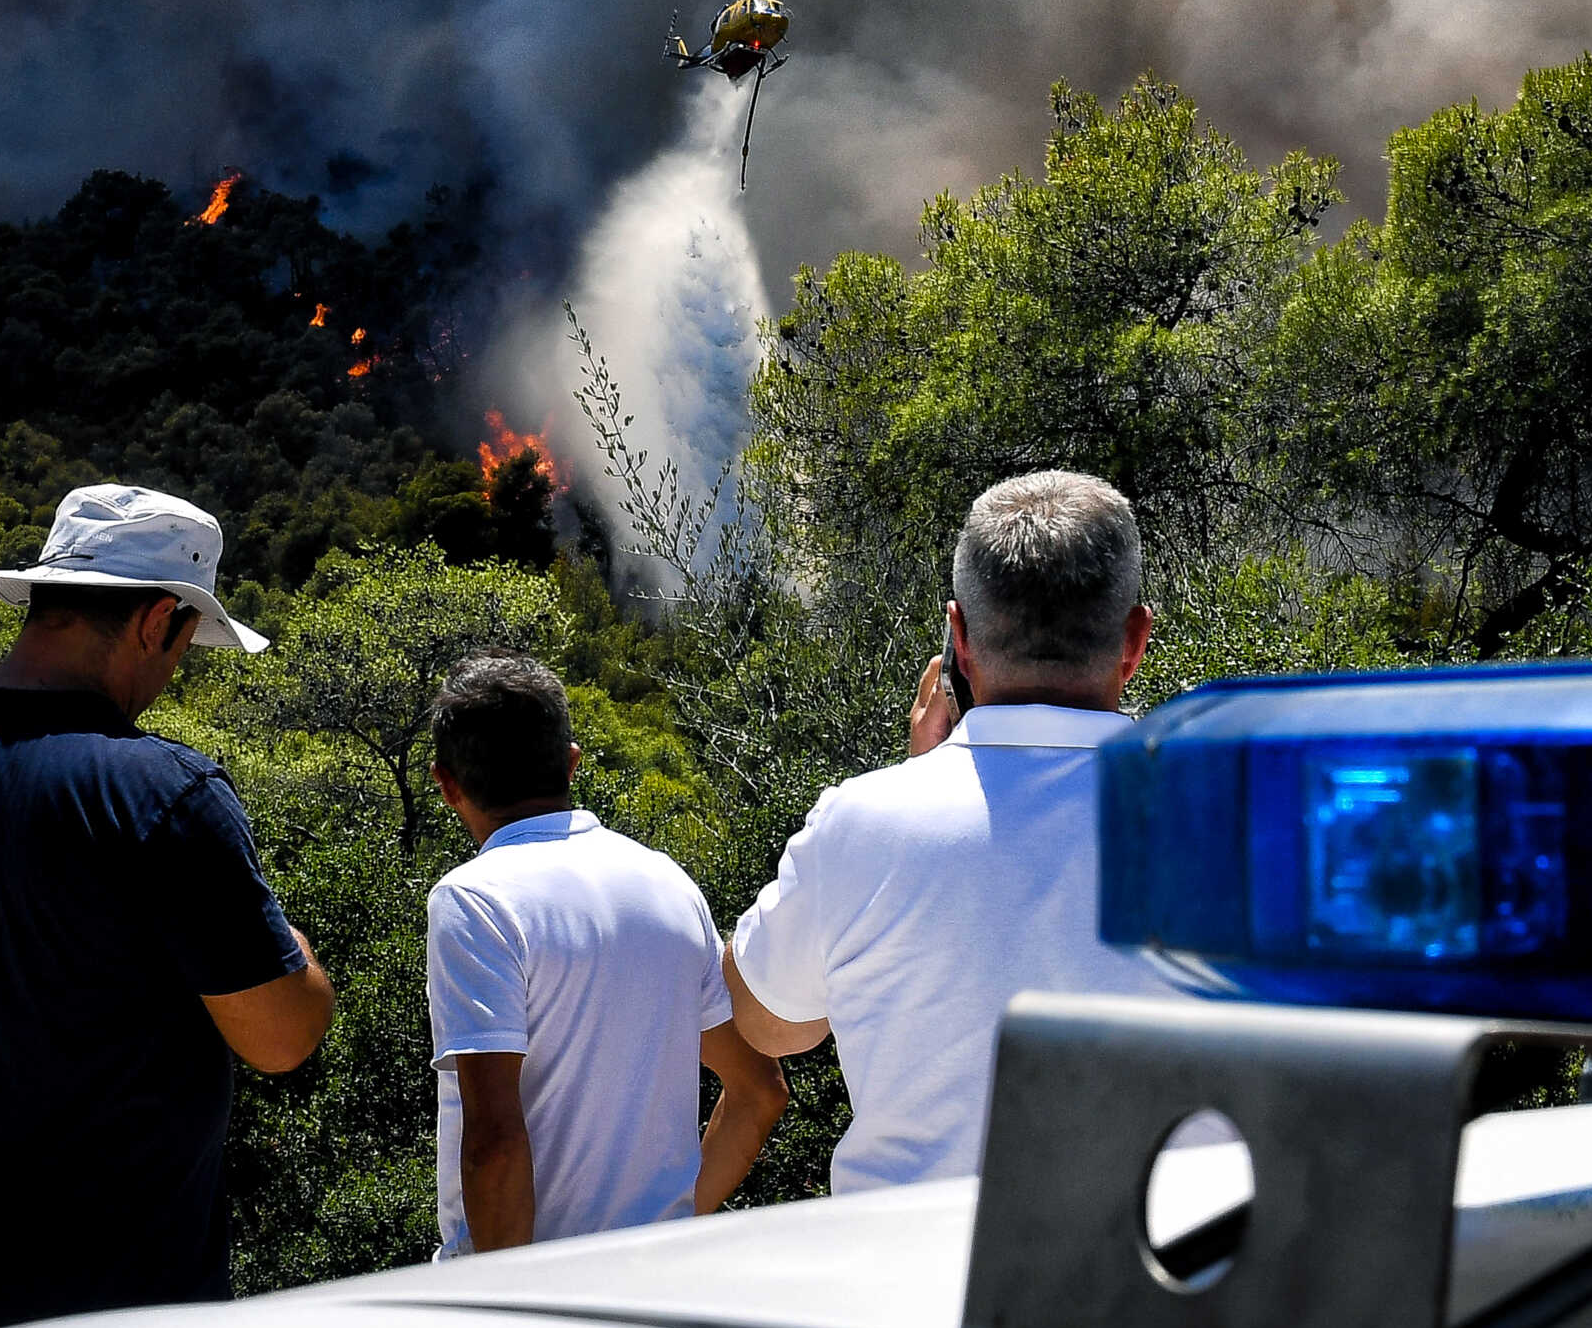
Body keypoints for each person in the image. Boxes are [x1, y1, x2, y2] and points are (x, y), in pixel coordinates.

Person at [0, 484, 335, 1328]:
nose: (176, 670)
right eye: (187, 645)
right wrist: (300, 954)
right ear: (158, 621)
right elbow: (283, 1036)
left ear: (44, 599)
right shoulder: (169, 796)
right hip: (121, 1326)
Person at [723, 469, 1188, 1192]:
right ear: (1135, 641)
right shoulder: (1254, 823)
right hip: (1173, 1288)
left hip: (908, 1290)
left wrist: (917, 779)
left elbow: (767, 1021)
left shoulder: (860, 821)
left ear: (959, 640)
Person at [426, 651, 787, 1254]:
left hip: (538, 1306)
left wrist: (499, 1306)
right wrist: (671, 1223)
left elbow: (495, 1138)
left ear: (446, 783)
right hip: (657, 1290)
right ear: (571, 765)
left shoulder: (475, 901)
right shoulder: (668, 883)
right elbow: (760, 1090)